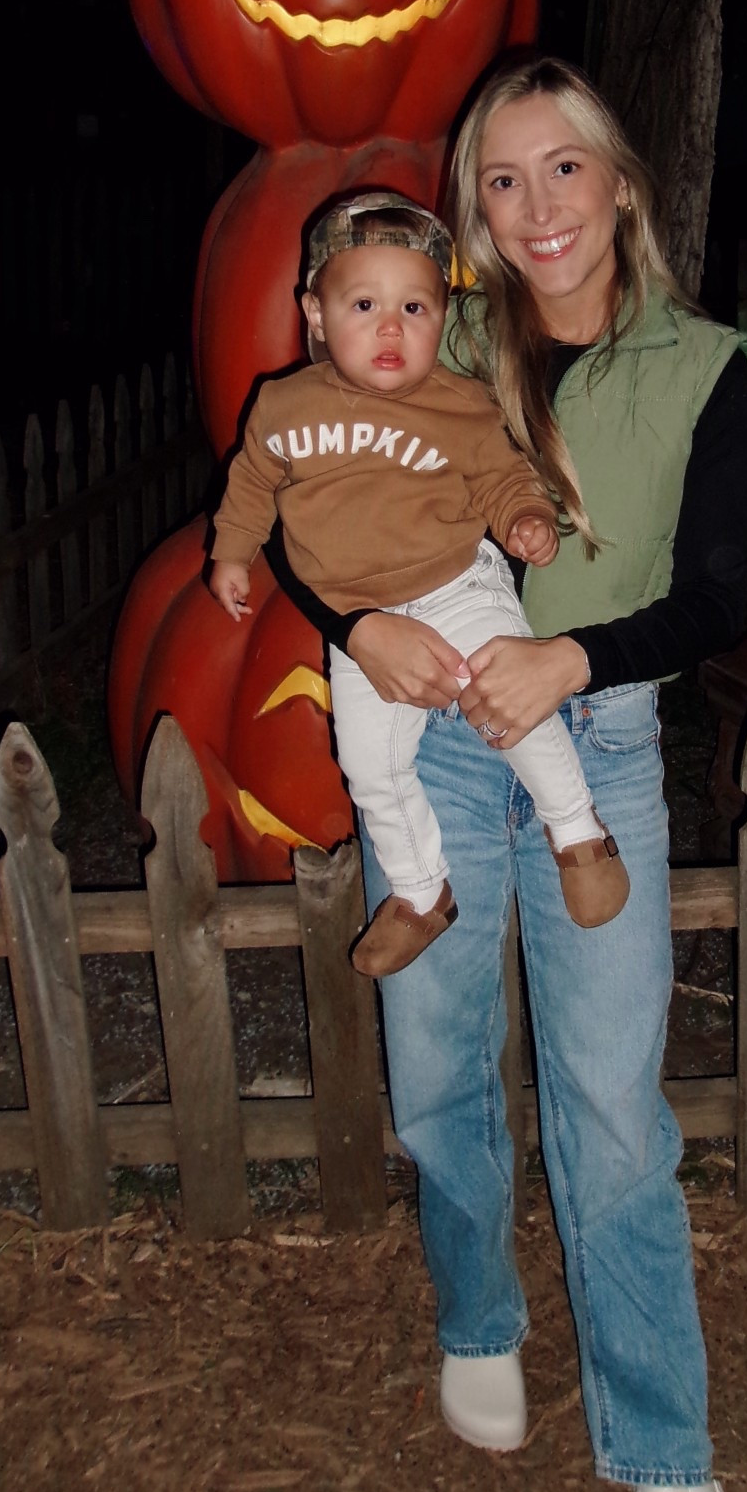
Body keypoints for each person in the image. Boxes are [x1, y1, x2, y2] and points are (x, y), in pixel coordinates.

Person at [274, 57, 747, 1492]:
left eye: (566, 170)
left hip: (595, 748)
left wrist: (570, 657)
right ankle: (477, 1309)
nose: (538, 206)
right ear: (471, 210)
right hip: (425, 747)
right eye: (502, 178)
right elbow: (297, 499)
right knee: (433, 1067)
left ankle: (667, 1453)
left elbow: (719, 599)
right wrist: (356, 630)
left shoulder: (702, 364)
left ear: (621, 182)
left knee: (611, 1111)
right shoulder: (428, 330)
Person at [206, 196, 630, 977]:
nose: (391, 326)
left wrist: (525, 517)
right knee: (370, 764)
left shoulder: (459, 403)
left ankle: (577, 833)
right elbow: (251, 486)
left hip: (455, 585)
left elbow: (505, 476)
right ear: (317, 313)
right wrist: (231, 552)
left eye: (415, 306)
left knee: (510, 704)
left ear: (442, 318)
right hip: (356, 616)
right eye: (364, 305)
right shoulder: (282, 406)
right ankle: (420, 891)